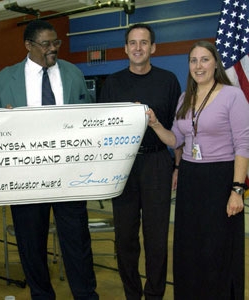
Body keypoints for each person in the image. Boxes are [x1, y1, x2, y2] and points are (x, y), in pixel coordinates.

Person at [0, 19, 99, 300]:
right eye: (46, 44)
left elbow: (87, 119)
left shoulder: (73, 73)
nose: (53, 49)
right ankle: (41, 295)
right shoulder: (4, 79)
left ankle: (86, 295)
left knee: (77, 242)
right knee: (31, 244)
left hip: (70, 176)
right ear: (28, 45)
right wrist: (5, 123)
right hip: (26, 179)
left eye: (56, 43)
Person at [146, 40, 249, 300]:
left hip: (221, 178)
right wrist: (156, 124)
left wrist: (237, 190)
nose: (198, 65)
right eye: (193, 60)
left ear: (216, 63)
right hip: (191, 178)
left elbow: (243, 144)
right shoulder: (185, 98)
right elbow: (176, 140)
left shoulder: (232, 95)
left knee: (217, 248)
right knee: (190, 246)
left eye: (204, 59)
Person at [98, 23, 181, 299]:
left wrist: (177, 167)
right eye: (132, 43)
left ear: (153, 48)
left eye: (143, 42)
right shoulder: (112, 83)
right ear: (125, 48)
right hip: (123, 166)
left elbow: (178, 129)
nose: (138, 48)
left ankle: (155, 294)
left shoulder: (168, 80)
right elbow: (103, 130)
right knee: (125, 239)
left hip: (157, 164)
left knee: (157, 239)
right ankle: (132, 294)